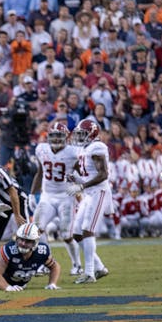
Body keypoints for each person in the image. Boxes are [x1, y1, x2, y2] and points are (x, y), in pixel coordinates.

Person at [32, 121, 83, 275]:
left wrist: (80, 187)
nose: (55, 140)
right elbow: (40, 172)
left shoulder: (73, 152)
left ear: (66, 137)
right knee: (37, 230)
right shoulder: (41, 149)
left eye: (59, 136)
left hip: (65, 197)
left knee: (66, 235)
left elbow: (83, 174)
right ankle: (45, 262)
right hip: (47, 196)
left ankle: (77, 265)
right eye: (53, 136)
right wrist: (31, 193)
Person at [68, 119, 112, 284]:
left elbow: (103, 174)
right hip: (89, 193)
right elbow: (85, 170)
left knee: (87, 229)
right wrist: (75, 177)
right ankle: (99, 267)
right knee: (77, 232)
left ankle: (89, 273)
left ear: (92, 134)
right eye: (78, 134)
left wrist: (81, 185)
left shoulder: (97, 147)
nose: (79, 137)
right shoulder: (84, 148)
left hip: (99, 192)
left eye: (83, 134)